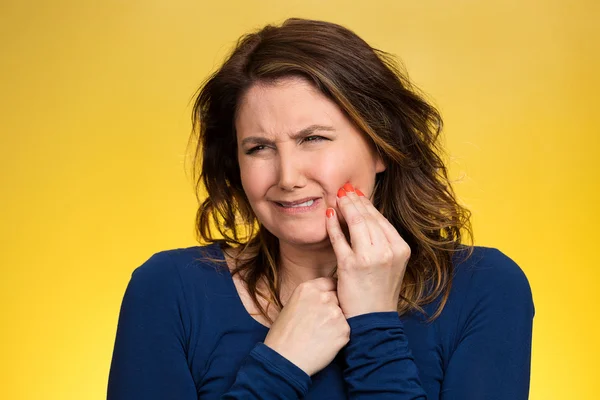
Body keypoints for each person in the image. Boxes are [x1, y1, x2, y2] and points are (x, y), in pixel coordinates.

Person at [107, 18, 534, 399]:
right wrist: (279, 366)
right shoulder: (168, 291)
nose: (288, 176)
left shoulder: (485, 289)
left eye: (313, 138)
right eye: (259, 148)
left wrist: (375, 326)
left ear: (380, 146)